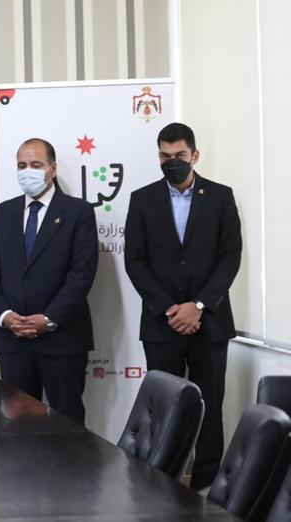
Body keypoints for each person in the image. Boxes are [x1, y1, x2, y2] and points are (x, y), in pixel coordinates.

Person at [124, 122, 241, 490]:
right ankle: (160, 486)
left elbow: (230, 257)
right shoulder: (142, 199)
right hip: (162, 324)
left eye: (179, 155)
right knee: (164, 410)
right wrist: (170, 309)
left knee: (210, 408)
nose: (171, 162)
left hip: (210, 322)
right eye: (164, 156)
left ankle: (206, 489)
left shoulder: (221, 197)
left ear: (195, 155)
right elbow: (135, 261)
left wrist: (199, 305)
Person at [0, 138, 98, 426]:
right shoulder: (3, 213)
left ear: (52, 169)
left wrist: (49, 318)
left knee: (67, 426)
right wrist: (5, 316)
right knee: (15, 429)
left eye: (35, 164)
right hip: (13, 340)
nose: (27, 171)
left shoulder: (78, 212)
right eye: (22, 165)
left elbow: (81, 274)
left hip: (62, 339)